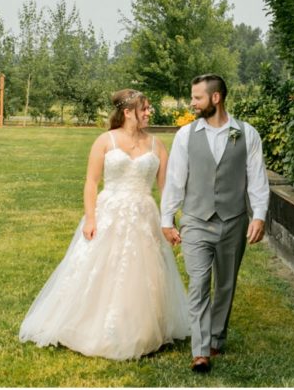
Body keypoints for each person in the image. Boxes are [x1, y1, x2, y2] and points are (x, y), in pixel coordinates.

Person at [18, 89, 190, 360]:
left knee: (143, 272)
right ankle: (89, 325)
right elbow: (91, 182)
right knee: (100, 268)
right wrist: (90, 218)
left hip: (144, 215)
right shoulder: (105, 141)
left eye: (149, 109)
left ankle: (141, 330)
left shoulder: (157, 145)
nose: (149, 113)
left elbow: (164, 188)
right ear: (128, 112)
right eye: (144, 109)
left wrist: (168, 222)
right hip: (109, 211)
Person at [160, 74, 270, 373]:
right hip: (196, 219)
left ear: (216, 98)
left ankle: (216, 338)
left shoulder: (247, 134)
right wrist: (167, 218)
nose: (192, 103)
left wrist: (259, 214)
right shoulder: (186, 135)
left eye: (197, 98)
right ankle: (200, 350)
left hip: (234, 220)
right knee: (198, 284)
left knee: (225, 284)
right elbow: (175, 179)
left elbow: (257, 178)